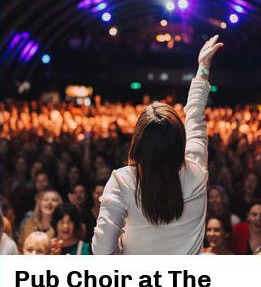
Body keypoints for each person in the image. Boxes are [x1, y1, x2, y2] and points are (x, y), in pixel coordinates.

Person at [92, 35, 224, 254]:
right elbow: (195, 120)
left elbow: (102, 252)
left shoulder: (123, 180)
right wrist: (202, 69)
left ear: (138, 142)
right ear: (179, 142)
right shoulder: (196, 171)